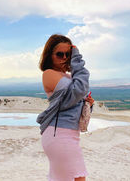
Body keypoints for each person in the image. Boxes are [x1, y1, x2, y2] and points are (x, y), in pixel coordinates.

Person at [36, 34, 94, 181]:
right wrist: (77, 58)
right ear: (50, 56)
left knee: (76, 178)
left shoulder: (67, 77)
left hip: (70, 134)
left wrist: (88, 104)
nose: (64, 58)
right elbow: (79, 90)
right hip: (59, 134)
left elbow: (74, 100)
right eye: (60, 54)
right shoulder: (49, 74)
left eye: (68, 54)